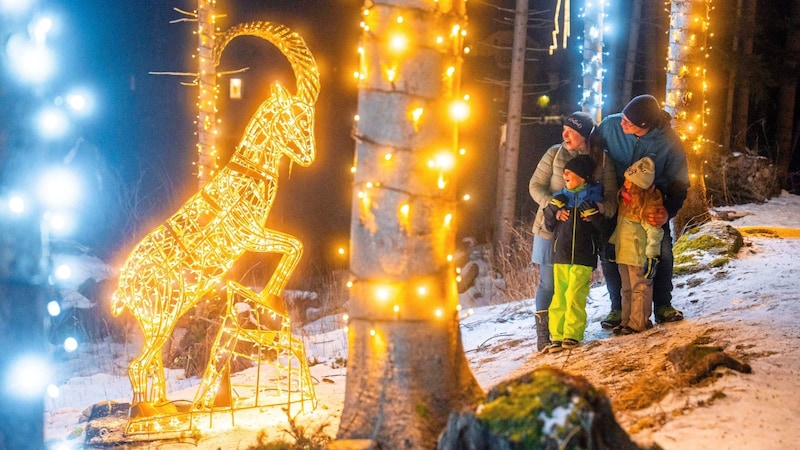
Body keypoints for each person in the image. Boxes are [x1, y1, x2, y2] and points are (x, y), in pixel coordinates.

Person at [594, 94, 690, 328]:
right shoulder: (610, 126)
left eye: (629, 121)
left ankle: (663, 304)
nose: (622, 123)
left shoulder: (668, 141)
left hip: (651, 202)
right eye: (623, 117)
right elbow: (592, 152)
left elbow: (680, 182)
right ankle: (618, 307)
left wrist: (668, 210)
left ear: (645, 126)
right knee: (611, 252)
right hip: (616, 198)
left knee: (661, 251)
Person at [528, 112, 618, 352]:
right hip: (550, 228)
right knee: (549, 283)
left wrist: (595, 210)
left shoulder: (603, 160)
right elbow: (535, 186)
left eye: (571, 131)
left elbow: (612, 201)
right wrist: (554, 206)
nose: (564, 135)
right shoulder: (554, 153)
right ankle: (545, 335)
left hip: (582, 236)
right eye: (564, 129)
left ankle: (570, 331)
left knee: (575, 286)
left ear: (585, 134)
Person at [542, 155, 605, 352]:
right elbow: (549, 225)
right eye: (565, 172)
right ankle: (557, 335)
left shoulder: (594, 199)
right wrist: (553, 209)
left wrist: (594, 216)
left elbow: (603, 230)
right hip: (561, 255)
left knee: (575, 294)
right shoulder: (560, 198)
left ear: (584, 176)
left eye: (571, 171)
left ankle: (572, 334)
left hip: (583, 256)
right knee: (560, 295)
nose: (565, 174)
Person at [608, 157, 663, 334]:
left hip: (639, 256)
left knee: (640, 289)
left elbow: (654, 233)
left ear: (638, 185)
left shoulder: (648, 204)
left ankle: (638, 322)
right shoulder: (625, 202)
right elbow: (621, 226)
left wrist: (652, 256)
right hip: (623, 254)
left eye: (629, 180)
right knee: (627, 289)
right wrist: (612, 243)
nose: (624, 183)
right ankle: (626, 321)